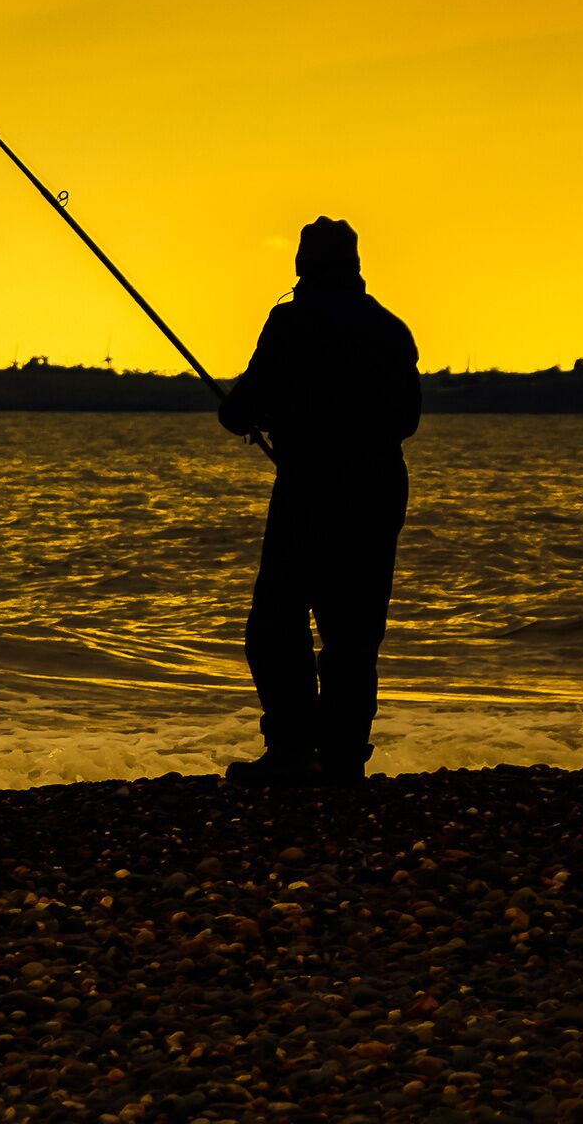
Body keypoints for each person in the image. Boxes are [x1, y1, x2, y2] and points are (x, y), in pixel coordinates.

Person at [216, 216, 418, 785]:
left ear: (302, 266)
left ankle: (291, 752)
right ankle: (344, 759)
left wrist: (252, 419)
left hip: (311, 488)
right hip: (380, 489)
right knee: (353, 630)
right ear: (354, 265)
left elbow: (240, 410)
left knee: (276, 622)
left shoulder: (290, 323)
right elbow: (408, 419)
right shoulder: (390, 329)